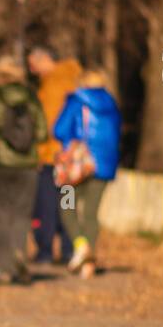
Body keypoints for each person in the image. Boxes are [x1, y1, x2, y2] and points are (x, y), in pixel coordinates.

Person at [0, 56, 48, 284]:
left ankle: (4, 268)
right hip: (27, 166)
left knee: (2, 214)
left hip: (1, 165)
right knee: (22, 214)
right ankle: (20, 257)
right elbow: (42, 134)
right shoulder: (32, 99)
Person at [53, 68, 121, 279]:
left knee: (67, 205)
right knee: (91, 212)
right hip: (103, 165)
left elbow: (59, 129)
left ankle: (80, 246)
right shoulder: (111, 104)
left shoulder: (76, 100)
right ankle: (88, 265)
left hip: (77, 165)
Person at [28, 45, 81, 264]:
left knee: (47, 205)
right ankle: (69, 249)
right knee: (68, 203)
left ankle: (46, 251)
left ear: (45, 60)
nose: (32, 71)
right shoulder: (74, 78)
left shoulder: (52, 85)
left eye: (33, 64)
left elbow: (47, 126)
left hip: (53, 157)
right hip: (72, 155)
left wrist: (40, 154)